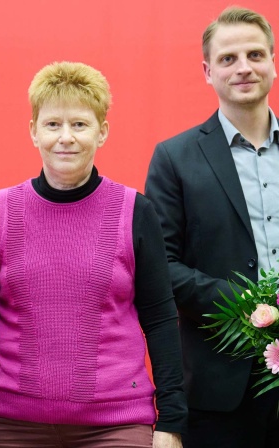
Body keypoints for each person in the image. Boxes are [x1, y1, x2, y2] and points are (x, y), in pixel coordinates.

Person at [0, 61, 187, 448]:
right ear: (33, 131)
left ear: (102, 132)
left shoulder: (135, 212)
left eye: (79, 124)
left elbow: (160, 320)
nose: (66, 138)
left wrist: (172, 422)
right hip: (13, 426)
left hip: (117, 425)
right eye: (52, 124)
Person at [145, 6, 279, 448]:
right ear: (207, 71)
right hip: (219, 388)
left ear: (273, 62)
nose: (244, 68)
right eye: (228, 58)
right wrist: (246, 303)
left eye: (255, 55)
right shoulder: (175, 157)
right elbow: (159, 265)